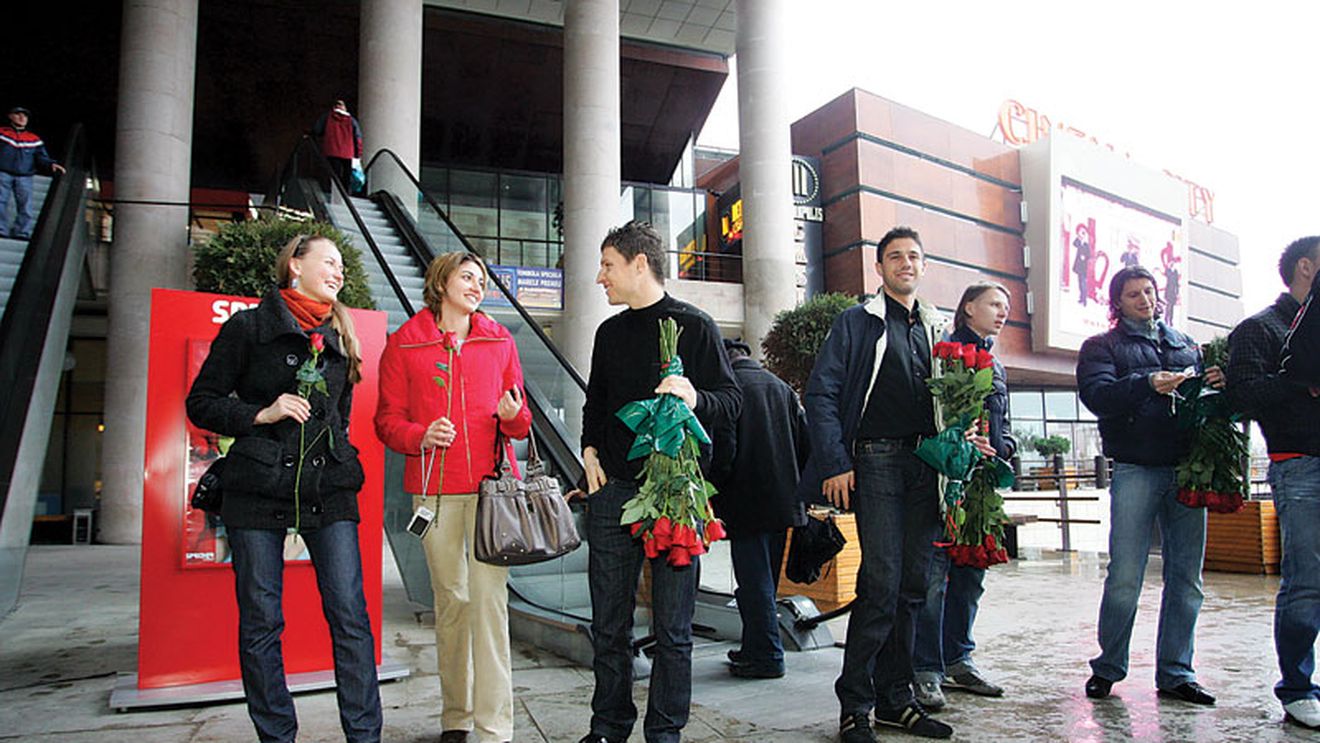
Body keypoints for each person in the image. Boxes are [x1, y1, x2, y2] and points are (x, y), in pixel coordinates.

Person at [186, 234, 381, 743]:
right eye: (329, 262)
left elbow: (338, 418)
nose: (338, 273)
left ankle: (365, 736)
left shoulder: (340, 336)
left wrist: (342, 455)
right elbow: (201, 402)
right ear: (295, 265)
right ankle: (277, 736)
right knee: (261, 621)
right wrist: (260, 413)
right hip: (256, 487)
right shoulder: (249, 327)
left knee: (350, 616)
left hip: (328, 488)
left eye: (342, 266)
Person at [577, 220, 741, 743]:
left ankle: (665, 730)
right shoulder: (608, 332)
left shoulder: (695, 326)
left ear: (638, 264)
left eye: (607, 265)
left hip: (674, 499)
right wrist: (589, 451)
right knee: (608, 625)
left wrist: (695, 397)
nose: (599, 277)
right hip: (614, 496)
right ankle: (608, 726)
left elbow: (731, 402)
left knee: (673, 631)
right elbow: (595, 402)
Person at [802, 226, 953, 741]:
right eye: (895, 256)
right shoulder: (856, 323)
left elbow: (950, 404)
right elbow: (821, 394)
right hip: (875, 461)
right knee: (882, 583)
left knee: (914, 586)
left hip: (926, 465)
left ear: (924, 266)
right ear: (880, 268)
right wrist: (834, 462)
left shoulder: (935, 329)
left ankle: (896, 698)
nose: (905, 263)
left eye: (914, 255)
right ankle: (856, 705)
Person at [374, 251, 531, 743]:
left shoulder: (499, 339)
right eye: (467, 277)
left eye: (482, 279)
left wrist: (510, 416)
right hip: (434, 494)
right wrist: (420, 435)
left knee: (489, 603)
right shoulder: (405, 344)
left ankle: (494, 728)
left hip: (490, 494)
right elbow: (386, 420)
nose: (477, 285)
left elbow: (521, 421)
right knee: (452, 601)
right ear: (441, 282)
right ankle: (456, 717)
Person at [1076, 265, 1222, 705]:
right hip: (1137, 468)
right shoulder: (1102, 346)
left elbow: (1205, 404)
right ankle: (1108, 667)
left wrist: (1216, 385)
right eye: (1134, 293)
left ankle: (1177, 672)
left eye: (1150, 291)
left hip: (1185, 469)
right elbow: (1098, 395)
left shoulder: (1185, 345)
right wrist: (1146, 383)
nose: (1145, 299)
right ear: (1117, 302)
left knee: (1186, 577)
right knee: (1125, 574)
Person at [1224, 236, 1320, 729]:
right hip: (1299, 464)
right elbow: (1242, 396)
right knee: (1306, 580)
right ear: (1306, 267)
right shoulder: (1261, 328)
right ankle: (1299, 687)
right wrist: (1299, 380)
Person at [912, 281, 1016, 710]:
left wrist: (1002, 448)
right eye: (994, 304)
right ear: (968, 306)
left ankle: (959, 659)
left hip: (981, 485)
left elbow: (1003, 424)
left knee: (971, 577)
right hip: (942, 483)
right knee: (934, 579)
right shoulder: (940, 354)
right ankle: (925, 670)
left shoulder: (997, 365)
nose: (1003, 312)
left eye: (1006, 306)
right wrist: (957, 443)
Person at [709, 337, 809, 680]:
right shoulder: (781, 388)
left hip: (745, 500)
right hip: (784, 500)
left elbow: (724, 451)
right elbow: (805, 444)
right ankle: (754, 648)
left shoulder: (730, 388)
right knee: (764, 580)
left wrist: (713, 494)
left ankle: (767, 655)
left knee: (754, 583)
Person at [0, 106, 65, 239]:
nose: (22, 118)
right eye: (18, 114)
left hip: (25, 176)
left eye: (25, 116)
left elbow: (41, 156)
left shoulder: (33, 139)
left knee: (25, 205)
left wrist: (51, 164)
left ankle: (22, 232)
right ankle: (1, 229)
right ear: (10, 116)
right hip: (3, 172)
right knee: (0, 201)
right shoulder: (2, 133)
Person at [312, 99, 363, 192]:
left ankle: (333, 193)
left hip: (331, 151)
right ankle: (345, 194)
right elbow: (358, 138)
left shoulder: (327, 117)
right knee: (346, 175)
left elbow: (317, 130)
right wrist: (358, 154)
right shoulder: (351, 121)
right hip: (348, 153)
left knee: (334, 174)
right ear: (345, 108)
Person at [1073, 224, 1093, 306]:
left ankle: (1084, 300)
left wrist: (1084, 257)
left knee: (1083, 283)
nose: (1082, 234)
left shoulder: (1086, 245)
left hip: (1084, 268)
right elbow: (1074, 243)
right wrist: (1079, 237)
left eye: (1083, 233)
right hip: (1078, 267)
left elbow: (1089, 255)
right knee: (1079, 283)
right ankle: (1081, 298)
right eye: (1080, 232)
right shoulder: (1079, 242)